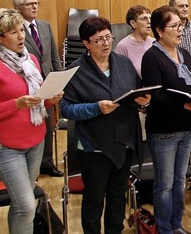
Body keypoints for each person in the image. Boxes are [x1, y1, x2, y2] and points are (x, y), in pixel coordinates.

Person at [61, 16, 150, 234]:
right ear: (86, 43)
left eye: (108, 37)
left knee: (118, 195)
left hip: (123, 140)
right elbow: (66, 109)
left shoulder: (124, 63)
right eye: (99, 39)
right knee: (94, 198)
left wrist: (143, 102)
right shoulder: (75, 70)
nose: (106, 43)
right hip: (93, 145)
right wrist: (95, 108)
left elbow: (136, 93)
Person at [0, 8, 63, 234]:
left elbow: (36, 102)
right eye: (13, 32)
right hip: (5, 146)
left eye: (21, 30)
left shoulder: (32, 60)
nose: (21, 37)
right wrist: (14, 104)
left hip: (35, 142)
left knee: (21, 204)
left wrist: (50, 99)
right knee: (26, 205)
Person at [141, 5, 191, 234]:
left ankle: (176, 225)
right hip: (164, 131)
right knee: (165, 184)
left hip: (187, 127)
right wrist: (185, 104)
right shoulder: (151, 57)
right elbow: (155, 96)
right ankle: (164, 228)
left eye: (181, 26)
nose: (180, 30)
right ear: (159, 30)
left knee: (180, 182)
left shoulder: (184, 53)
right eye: (174, 26)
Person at [14, 0, 64, 177]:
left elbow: (52, 55)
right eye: (29, 4)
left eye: (36, 3)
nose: (34, 7)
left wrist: (59, 78)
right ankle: (29, 163)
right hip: (27, 85)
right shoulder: (15, 30)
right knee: (31, 123)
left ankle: (47, 162)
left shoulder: (44, 25)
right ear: (18, 8)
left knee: (48, 123)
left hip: (48, 83)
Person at [115, 5, 155, 78]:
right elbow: (120, 75)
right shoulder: (123, 46)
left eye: (150, 18)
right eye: (144, 19)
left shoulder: (155, 42)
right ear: (133, 23)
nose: (149, 22)